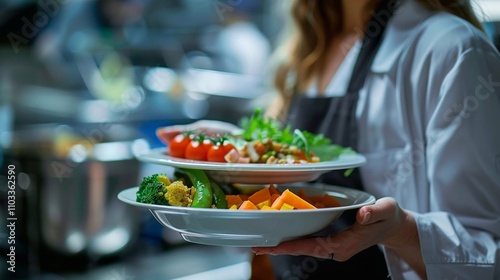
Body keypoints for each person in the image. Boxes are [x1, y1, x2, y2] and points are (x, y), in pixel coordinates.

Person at [156, 0, 500, 279]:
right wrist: (238, 151)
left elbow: (486, 255)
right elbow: (296, 166)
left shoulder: (451, 49)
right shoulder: (306, 47)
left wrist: (401, 231)